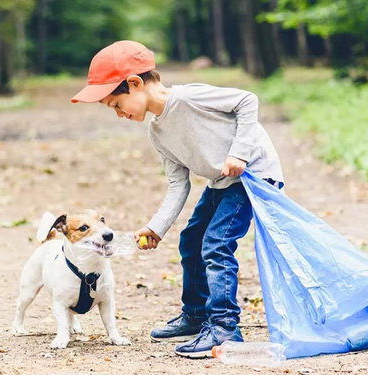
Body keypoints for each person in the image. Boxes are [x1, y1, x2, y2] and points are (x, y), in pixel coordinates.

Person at [71, 40, 285, 358]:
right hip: (222, 181)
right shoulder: (158, 132)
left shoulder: (188, 97)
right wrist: (156, 227)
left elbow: (247, 100)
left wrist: (239, 152)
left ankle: (224, 328)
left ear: (134, 83)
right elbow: (177, 184)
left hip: (253, 176)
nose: (118, 114)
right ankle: (197, 316)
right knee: (191, 240)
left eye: (116, 104)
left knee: (215, 244)